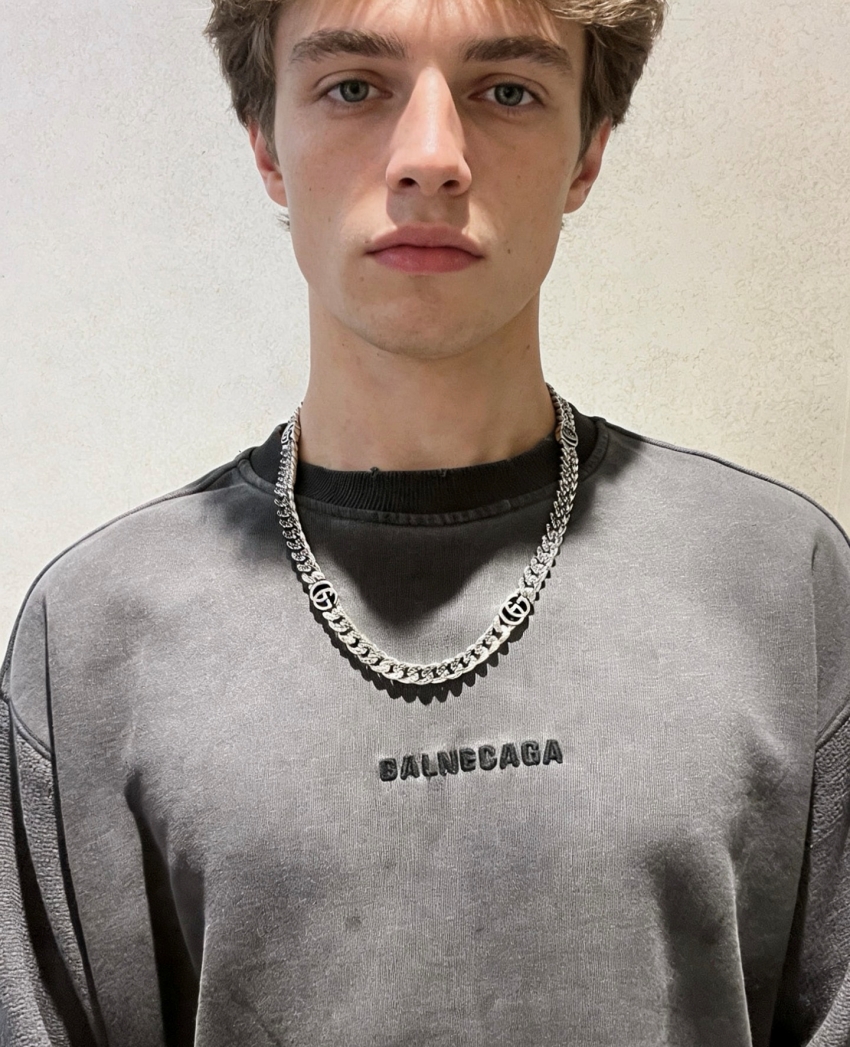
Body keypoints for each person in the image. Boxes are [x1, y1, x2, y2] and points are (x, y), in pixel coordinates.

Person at [1, 0, 848, 1043]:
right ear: (266, 143)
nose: (432, 158)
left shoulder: (780, 584)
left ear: (587, 152)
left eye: (508, 91)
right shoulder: (93, 640)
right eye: (355, 87)